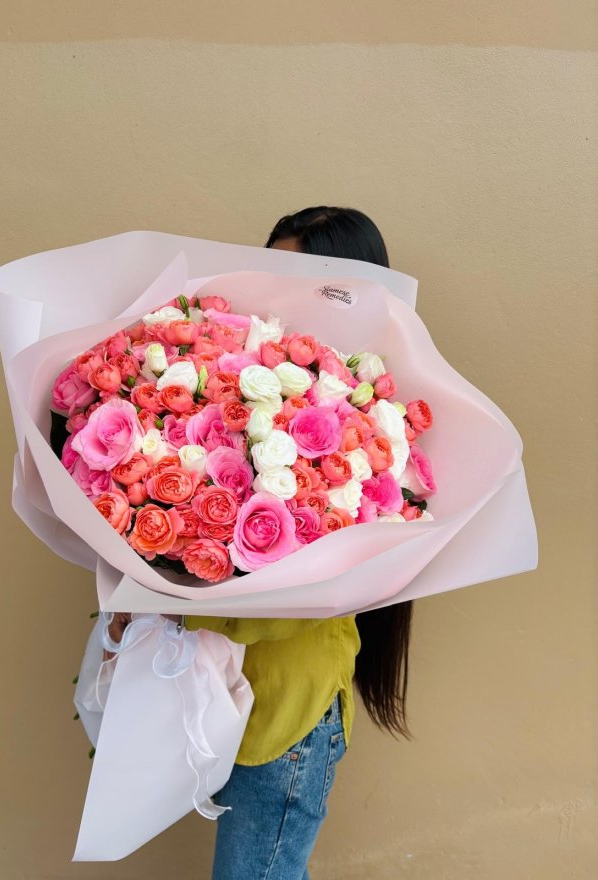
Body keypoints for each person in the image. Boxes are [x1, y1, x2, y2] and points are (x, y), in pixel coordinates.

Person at [106, 207, 412, 878]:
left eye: (299, 274)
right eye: (272, 269)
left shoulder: (370, 433)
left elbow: (306, 598)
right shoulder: (238, 384)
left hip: (287, 723)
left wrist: (172, 608)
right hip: (226, 702)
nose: (278, 289)